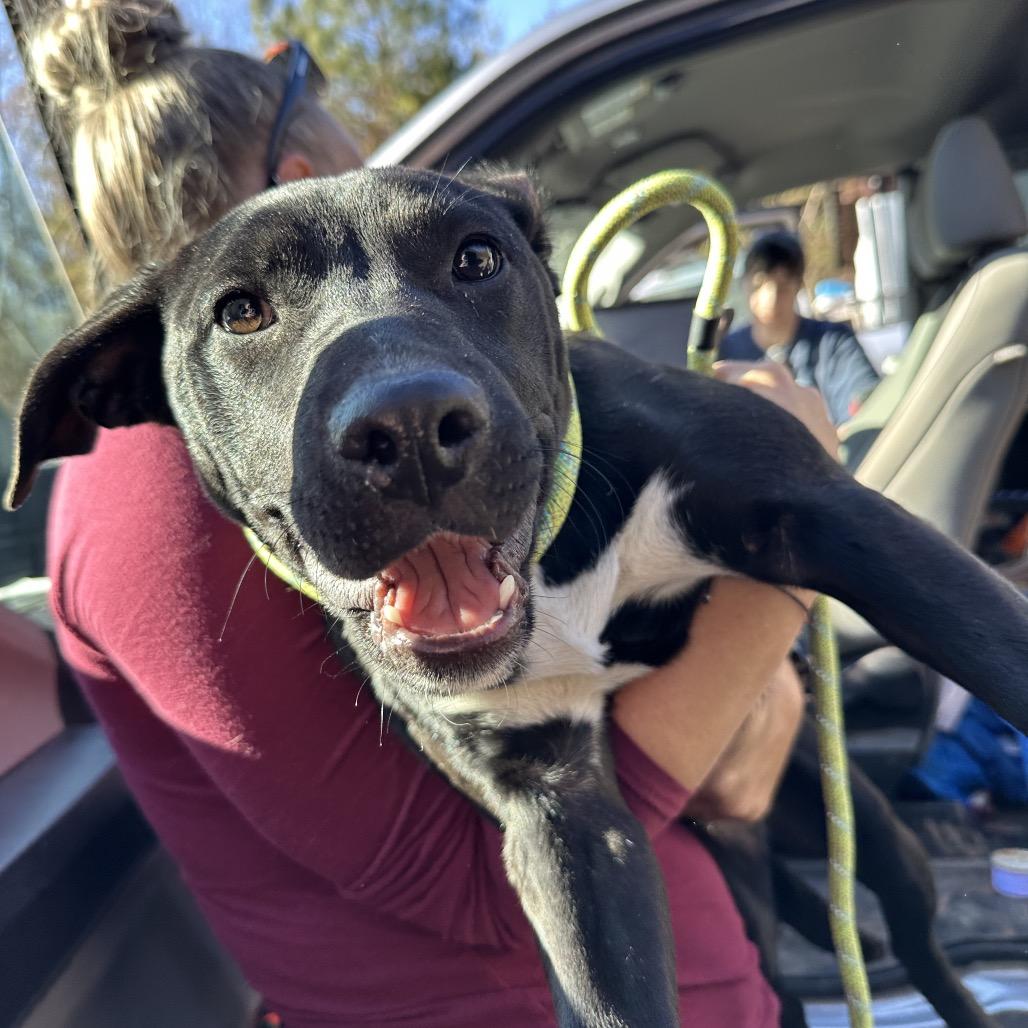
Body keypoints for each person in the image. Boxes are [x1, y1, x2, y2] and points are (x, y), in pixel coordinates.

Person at [30, 3, 839, 1024]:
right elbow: (492, 879)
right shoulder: (154, 477)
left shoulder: (333, 406)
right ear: (299, 185)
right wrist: (778, 569)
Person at [721, 230, 880, 426]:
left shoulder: (833, 343)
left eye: (783, 285)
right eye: (759, 283)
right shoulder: (724, 354)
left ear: (798, 285)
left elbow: (866, 417)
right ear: (744, 283)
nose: (770, 299)